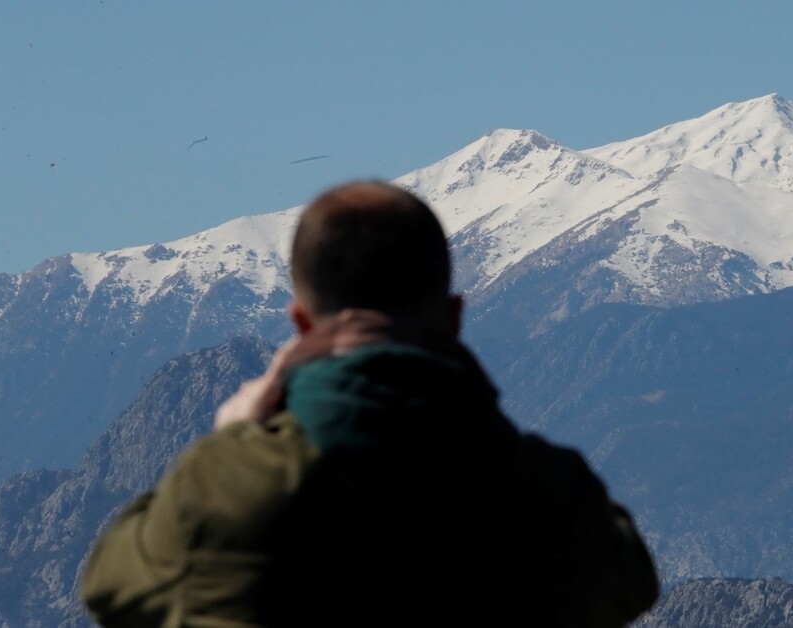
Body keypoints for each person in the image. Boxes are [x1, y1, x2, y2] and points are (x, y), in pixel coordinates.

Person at [80, 180, 661, 627]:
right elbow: (629, 579)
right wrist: (476, 414)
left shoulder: (228, 490)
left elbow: (110, 583)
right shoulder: (548, 492)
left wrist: (232, 438)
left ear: (301, 323)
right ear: (455, 321)